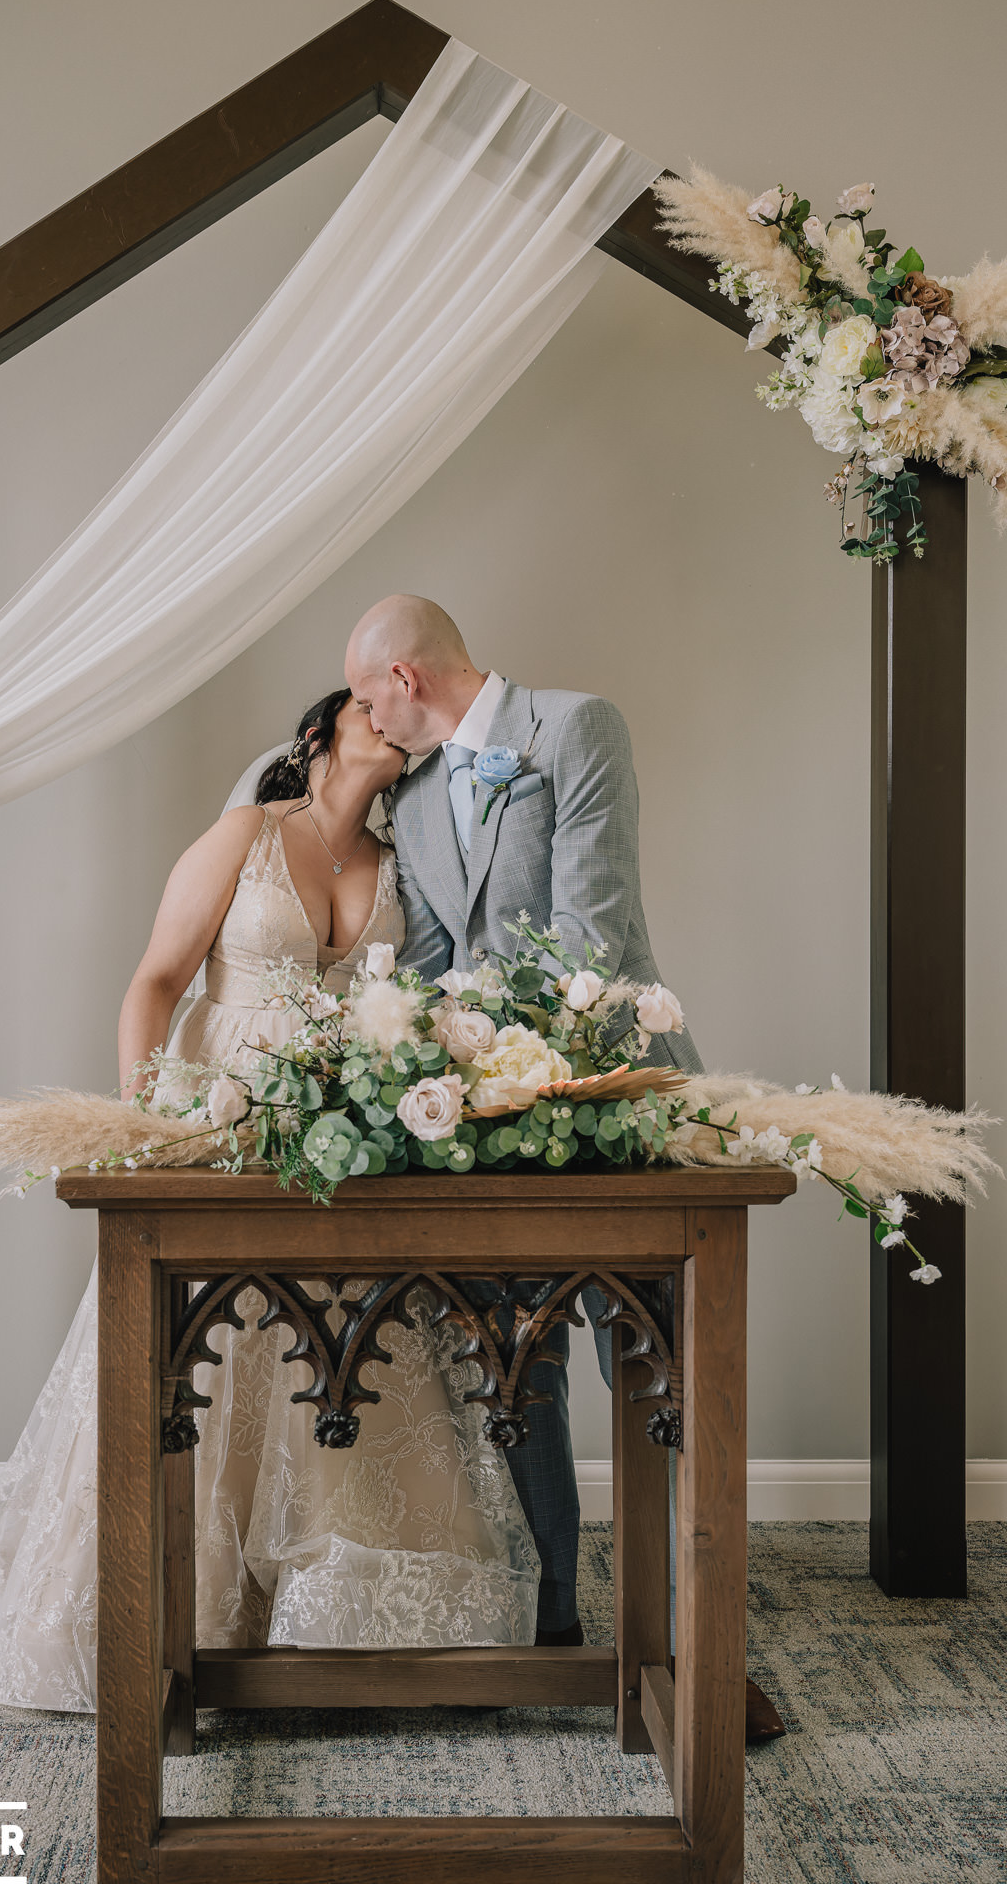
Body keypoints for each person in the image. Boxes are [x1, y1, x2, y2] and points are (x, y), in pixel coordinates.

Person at [0, 690, 539, 1711]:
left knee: (343, 1361)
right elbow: (155, 982)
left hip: (340, 1138)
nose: (391, 720)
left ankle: (334, 1624)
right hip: (218, 1119)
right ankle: (184, 1614)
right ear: (317, 735)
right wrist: (144, 1128)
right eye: (367, 707)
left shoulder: (399, 867)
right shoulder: (243, 837)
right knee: (207, 1353)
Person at [344, 592, 785, 1741]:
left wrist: (513, 1064)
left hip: (618, 1099)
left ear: (404, 678)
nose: (363, 717)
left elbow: (595, 931)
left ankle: (693, 1650)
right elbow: (431, 965)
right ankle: (548, 1632)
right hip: (489, 1127)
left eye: (365, 694)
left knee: (662, 1376)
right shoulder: (415, 798)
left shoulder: (576, 729)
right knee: (513, 1370)